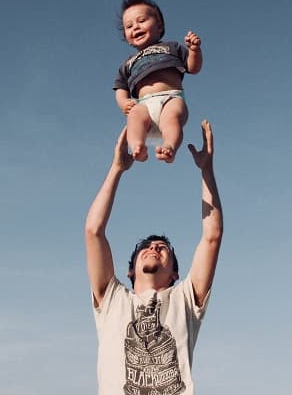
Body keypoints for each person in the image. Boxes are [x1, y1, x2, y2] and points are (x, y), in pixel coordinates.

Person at [84, 121, 223, 395]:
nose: (154, 248)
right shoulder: (112, 300)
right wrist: (116, 169)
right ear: (130, 271)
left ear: (174, 274)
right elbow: (93, 231)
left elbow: (212, 236)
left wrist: (206, 170)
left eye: (163, 248)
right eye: (146, 246)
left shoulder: (184, 300)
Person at [113, 0, 203, 163]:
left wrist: (194, 51)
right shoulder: (128, 63)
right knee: (134, 117)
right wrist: (124, 103)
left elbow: (193, 68)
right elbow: (120, 87)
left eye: (142, 21)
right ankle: (137, 146)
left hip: (171, 97)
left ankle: (169, 146)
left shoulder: (172, 47)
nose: (136, 27)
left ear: (159, 26)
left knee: (172, 118)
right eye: (129, 26)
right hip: (143, 104)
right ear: (126, 36)